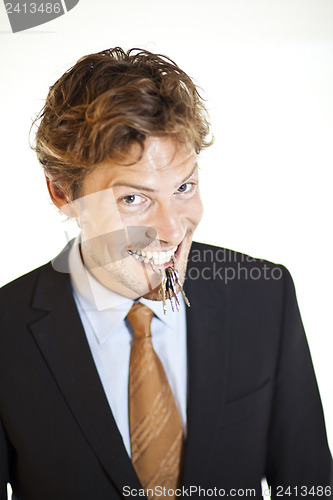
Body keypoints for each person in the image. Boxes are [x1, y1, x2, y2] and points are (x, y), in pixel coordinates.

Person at [0, 47, 332, 500]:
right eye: (133, 199)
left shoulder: (264, 297)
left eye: (183, 187)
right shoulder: (6, 331)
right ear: (62, 193)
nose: (172, 230)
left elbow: (309, 486)